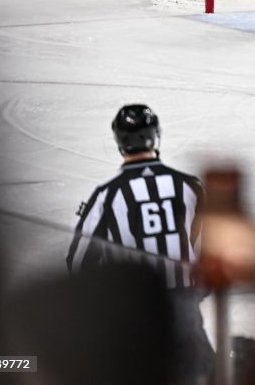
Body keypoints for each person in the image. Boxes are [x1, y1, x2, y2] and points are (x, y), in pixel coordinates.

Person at [66, 104, 212, 383]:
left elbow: (77, 262)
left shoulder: (106, 195)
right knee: (198, 373)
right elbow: (210, 250)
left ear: (120, 142)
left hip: (135, 312)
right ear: (156, 136)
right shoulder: (190, 187)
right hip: (184, 309)